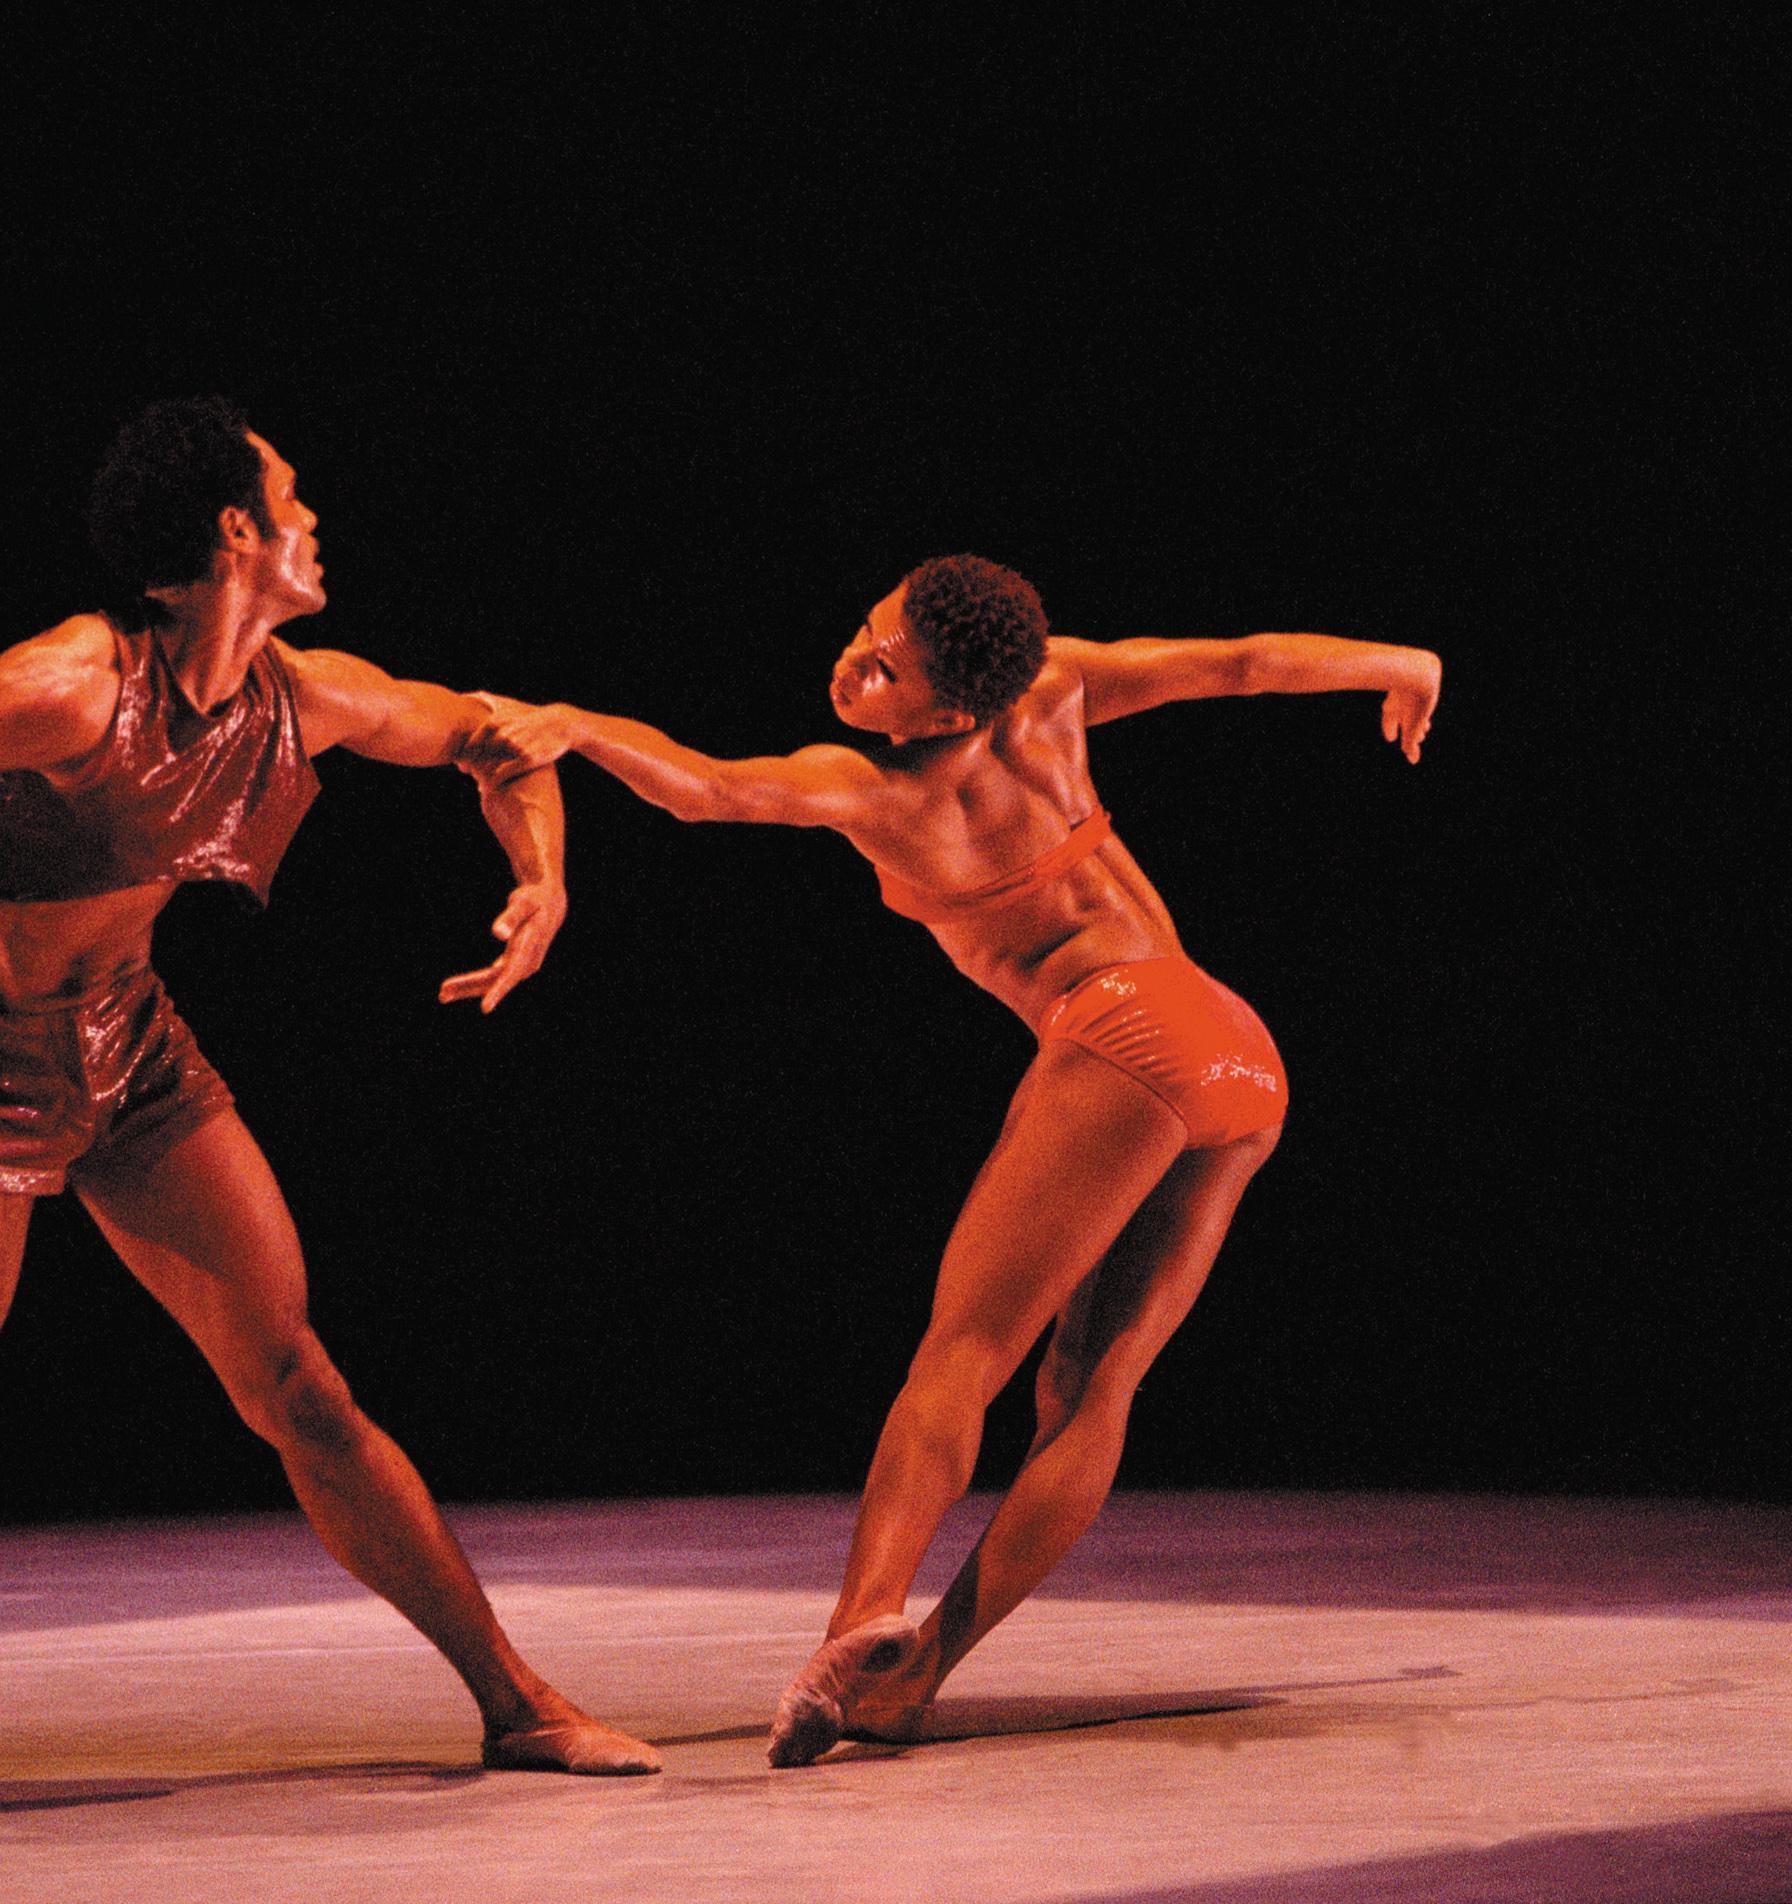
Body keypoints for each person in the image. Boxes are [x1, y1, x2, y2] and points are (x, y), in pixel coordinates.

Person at [0, 398, 660, 1807]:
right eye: (294, 494)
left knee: (303, 1389)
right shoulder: (63, 691)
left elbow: (496, 739)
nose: (316, 515)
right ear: (237, 531)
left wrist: (544, 881)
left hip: (133, 1053)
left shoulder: (301, 693)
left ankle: (514, 1703)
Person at [467, 553, 1439, 1766]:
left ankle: (856, 1629)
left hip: (1129, 1028)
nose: (855, 666)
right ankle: (910, 1676)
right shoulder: (1056, 688)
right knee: (1090, 1389)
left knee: (963, 1357)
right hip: (1237, 1052)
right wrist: (1401, 663)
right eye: (865, 635)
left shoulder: (880, 789)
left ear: (953, 711)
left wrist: (579, 728)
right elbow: (1242, 662)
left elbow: (709, 790)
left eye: (889, 672)